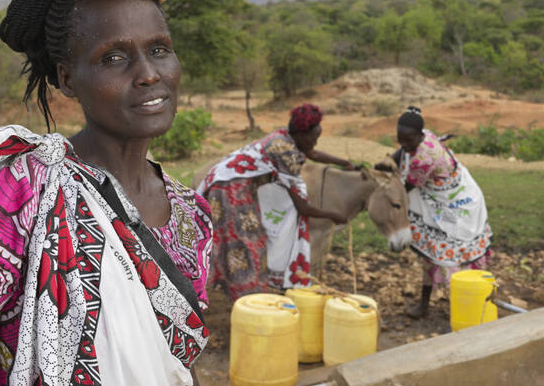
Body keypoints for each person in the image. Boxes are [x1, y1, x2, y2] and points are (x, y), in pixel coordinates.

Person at [0, 0, 212, 385]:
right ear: (67, 78)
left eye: (159, 50)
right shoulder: (6, 202)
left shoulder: (194, 216)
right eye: (114, 58)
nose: (149, 75)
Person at [197, 104, 353, 300]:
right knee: (248, 242)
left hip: (225, 179)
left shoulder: (285, 137)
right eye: (314, 138)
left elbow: (312, 154)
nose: (315, 143)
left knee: (230, 239)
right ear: (302, 134)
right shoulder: (286, 153)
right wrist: (333, 215)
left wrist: (344, 163)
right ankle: (249, 296)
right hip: (229, 189)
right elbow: (302, 207)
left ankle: (228, 287)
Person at [378, 106, 492, 319]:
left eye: (409, 140)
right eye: (400, 139)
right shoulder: (419, 138)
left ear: (420, 136)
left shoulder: (424, 158)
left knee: (450, 257)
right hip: (436, 200)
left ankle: (467, 309)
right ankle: (425, 305)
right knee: (431, 253)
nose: (404, 144)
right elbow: (401, 153)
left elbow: (404, 191)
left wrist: (379, 190)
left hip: (455, 205)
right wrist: (387, 163)